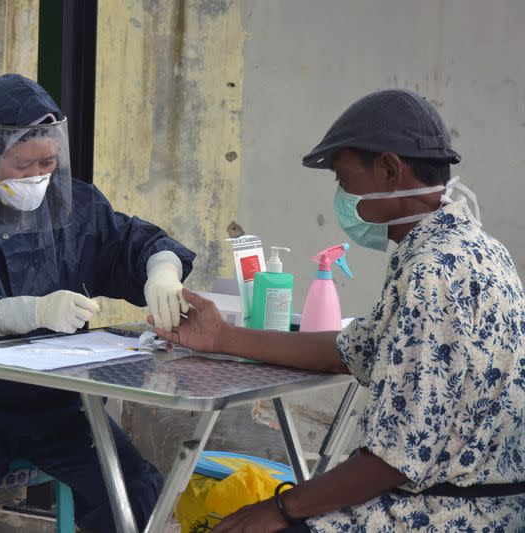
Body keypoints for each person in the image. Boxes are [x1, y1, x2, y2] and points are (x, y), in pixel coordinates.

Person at [153, 89, 525, 532]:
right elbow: (352, 349)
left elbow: (393, 459)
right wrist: (222, 338)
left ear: (390, 169)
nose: (341, 195)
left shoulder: (434, 273)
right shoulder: (473, 246)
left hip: (443, 516)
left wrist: (278, 509)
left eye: (344, 178)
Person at [0, 74, 196, 533]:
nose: (37, 178)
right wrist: (22, 312)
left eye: (47, 164)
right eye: (22, 166)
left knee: (131, 488)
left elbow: (129, 241)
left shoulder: (74, 204)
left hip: (52, 403)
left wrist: (162, 270)